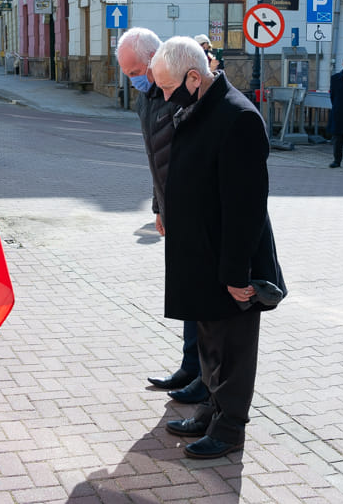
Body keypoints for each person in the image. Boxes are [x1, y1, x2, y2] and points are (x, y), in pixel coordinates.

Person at [151, 36, 286, 459]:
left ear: (194, 76)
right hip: (201, 256)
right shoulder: (196, 107)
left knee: (234, 349)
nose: (165, 96)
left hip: (230, 262)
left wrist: (236, 273)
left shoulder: (237, 116)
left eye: (170, 87)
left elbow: (246, 207)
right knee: (211, 343)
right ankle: (211, 409)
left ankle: (230, 429)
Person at [116, 28, 207, 404]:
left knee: (203, 298)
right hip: (174, 210)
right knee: (187, 292)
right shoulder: (147, 98)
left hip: (197, 213)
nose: (132, 79)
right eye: (127, 73)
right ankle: (190, 368)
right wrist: (159, 207)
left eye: (136, 70)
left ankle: (205, 377)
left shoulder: (180, 94)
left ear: (154, 59)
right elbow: (157, 160)